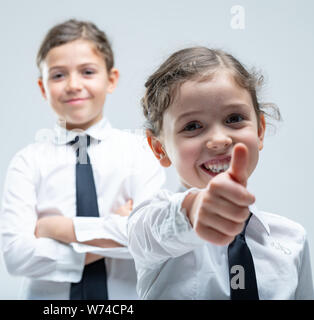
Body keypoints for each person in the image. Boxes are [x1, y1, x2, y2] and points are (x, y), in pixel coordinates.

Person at [127, 46, 314, 299]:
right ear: (159, 149)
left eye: (234, 118)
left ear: (259, 130)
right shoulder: (150, 226)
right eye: (193, 126)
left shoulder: (293, 239)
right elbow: (159, 227)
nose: (219, 139)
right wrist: (194, 210)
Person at [0, 19, 166, 299]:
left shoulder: (140, 152)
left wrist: (57, 229)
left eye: (87, 72)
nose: (74, 85)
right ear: (43, 88)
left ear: (111, 79)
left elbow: (151, 239)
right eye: (58, 75)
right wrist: (117, 227)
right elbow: (16, 255)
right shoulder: (28, 162)